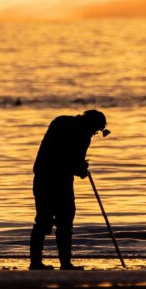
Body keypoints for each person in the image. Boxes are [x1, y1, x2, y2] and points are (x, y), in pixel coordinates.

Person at [30, 109, 109, 271]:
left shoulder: (59, 121)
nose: (94, 133)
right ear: (92, 124)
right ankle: (65, 263)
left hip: (42, 177)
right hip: (60, 181)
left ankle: (35, 263)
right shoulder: (83, 135)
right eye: (96, 130)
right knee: (65, 222)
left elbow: (57, 153)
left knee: (43, 221)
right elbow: (77, 167)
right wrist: (83, 168)